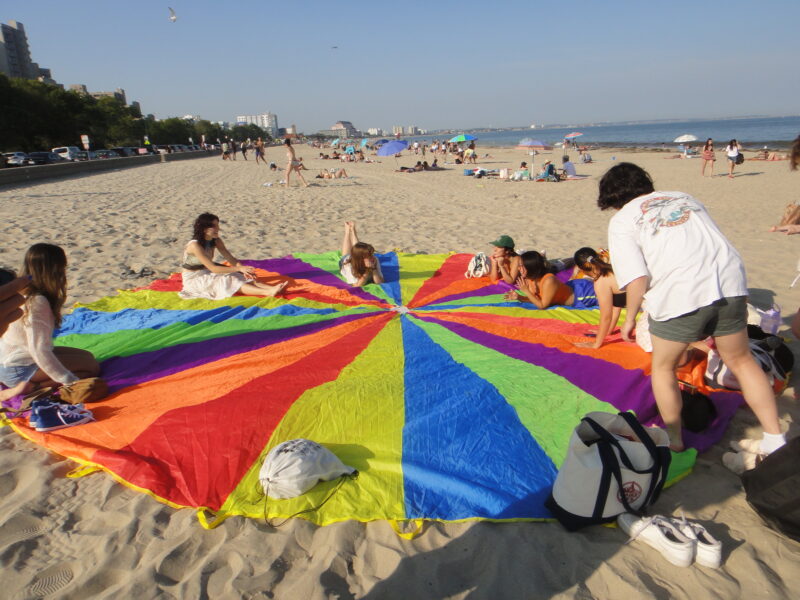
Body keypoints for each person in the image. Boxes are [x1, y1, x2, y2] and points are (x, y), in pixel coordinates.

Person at [598, 162, 784, 465]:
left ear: (611, 198)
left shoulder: (622, 220)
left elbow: (637, 278)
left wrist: (630, 318)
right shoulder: (685, 197)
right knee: (741, 360)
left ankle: (674, 440)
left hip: (680, 292)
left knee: (663, 368)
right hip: (730, 281)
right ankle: (775, 438)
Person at [0, 244, 100, 401]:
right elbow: (38, 350)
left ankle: (26, 381)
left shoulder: (21, 291)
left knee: (88, 357)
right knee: (90, 369)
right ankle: (30, 387)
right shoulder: (37, 301)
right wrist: (70, 381)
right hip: (19, 369)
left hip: (10, 362)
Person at [179, 213, 287, 300]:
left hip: (207, 272)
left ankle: (271, 288)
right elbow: (213, 268)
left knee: (239, 275)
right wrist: (240, 268)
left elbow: (230, 258)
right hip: (194, 279)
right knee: (228, 279)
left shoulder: (216, 240)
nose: (218, 228)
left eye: (218, 225)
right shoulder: (194, 245)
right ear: (204, 229)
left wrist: (244, 270)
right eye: (214, 226)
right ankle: (267, 292)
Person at [503, 251, 598, 309]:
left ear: (530, 267)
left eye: (521, 266)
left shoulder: (549, 280)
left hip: (582, 295)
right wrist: (520, 298)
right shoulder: (530, 279)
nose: (519, 269)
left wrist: (526, 291)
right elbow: (537, 300)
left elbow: (542, 305)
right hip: (572, 286)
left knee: (607, 295)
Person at [571, 248, 625, 349]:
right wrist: (608, 331)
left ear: (580, 268)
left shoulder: (601, 282)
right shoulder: (611, 268)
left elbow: (606, 316)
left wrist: (596, 343)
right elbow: (617, 307)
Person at [339, 221, 384, 287]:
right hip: (346, 259)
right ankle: (347, 232)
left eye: (371, 254)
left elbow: (380, 282)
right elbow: (357, 285)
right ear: (361, 258)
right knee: (346, 255)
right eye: (369, 256)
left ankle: (353, 232)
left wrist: (373, 269)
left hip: (357, 256)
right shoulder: (349, 265)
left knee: (358, 248)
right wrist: (367, 271)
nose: (372, 257)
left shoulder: (374, 259)